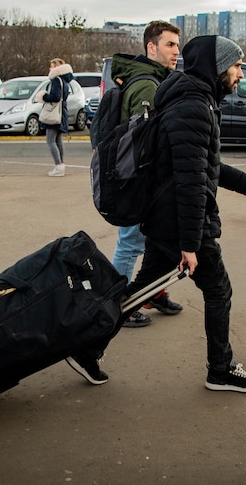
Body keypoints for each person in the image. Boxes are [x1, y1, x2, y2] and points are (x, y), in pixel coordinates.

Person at [66, 36, 246, 393]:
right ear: (216, 67)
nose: (240, 74)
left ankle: (87, 349)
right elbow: (191, 181)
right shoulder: (193, 105)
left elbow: (204, 165)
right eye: (236, 65)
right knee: (218, 290)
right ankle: (221, 369)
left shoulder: (195, 99)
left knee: (137, 292)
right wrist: (191, 244)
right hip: (178, 223)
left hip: (167, 222)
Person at [109, 21, 182, 327]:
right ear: (151, 47)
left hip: (143, 177)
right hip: (138, 179)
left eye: (177, 45)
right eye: (169, 45)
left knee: (156, 240)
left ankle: (153, 291)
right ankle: (118, 305)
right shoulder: (145, 84)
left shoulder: (154, 79)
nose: (176, 51)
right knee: (131, 242)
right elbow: (145, 138)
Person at [41, 58, 73, 177]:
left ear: (57, 68)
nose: (50, 68)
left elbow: (55, 96)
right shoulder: (65, 81)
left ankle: (58, 165)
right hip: (61, 112)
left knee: (50, 140)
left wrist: (44, 97)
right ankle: (61, 164)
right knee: (58, 140)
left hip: (54, 113)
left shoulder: (56, 80)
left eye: (52, 66)